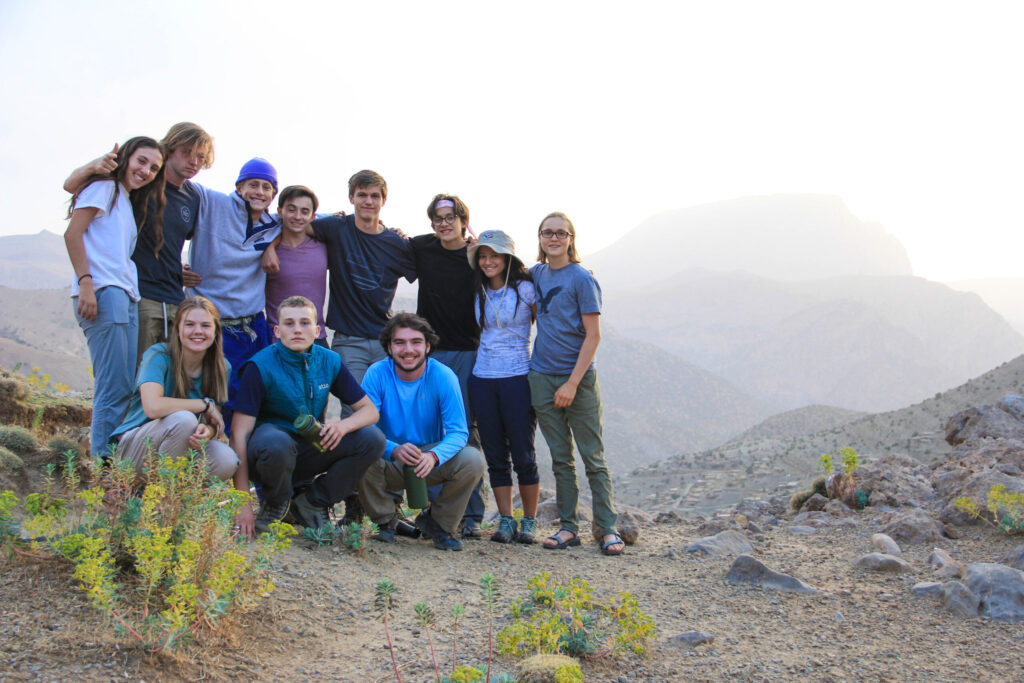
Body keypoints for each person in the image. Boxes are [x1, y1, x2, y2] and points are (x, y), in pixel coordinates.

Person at [229, 296, 385, 538]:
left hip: (308, 449)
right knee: (276, 442)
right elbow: (239, 434)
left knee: (371, 439)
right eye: (289, 324)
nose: (298, 330)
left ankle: (313, 501)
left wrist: (342, 427)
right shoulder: (259, 366)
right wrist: (241, 502)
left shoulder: (330, 361)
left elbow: (370, 411)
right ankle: (275, 504)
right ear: (277, 331)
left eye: (304, 323)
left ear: (317, 330)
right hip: (268, 454)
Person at [62, 123, 215, 365]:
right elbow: (74, 187)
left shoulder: (193, 197)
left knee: (169, 381)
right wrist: (92, 166)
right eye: (187, 152)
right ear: (171, 148)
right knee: (135, 378)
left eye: (201, 157)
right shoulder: (144, 182)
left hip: (175, 299)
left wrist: (178, 270)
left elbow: (170, 243)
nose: (194, 162)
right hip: (138, 295)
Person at [64, 136, 166, 458]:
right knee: (112, 388)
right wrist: (86, 284)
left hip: (125, 294)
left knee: (124, 386)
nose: (146, 170)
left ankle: (115, 467)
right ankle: (104, 473)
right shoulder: (104, 188)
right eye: (141, 161)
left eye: (153, 167)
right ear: (125, 157)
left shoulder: (123, 199)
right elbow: (72, 233)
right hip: (104, 292)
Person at [529, 212, 624, 556]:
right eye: (547, 232)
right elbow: (499, 267)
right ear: (539, 238)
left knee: (592, 457)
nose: (553, 238)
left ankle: (608, 528)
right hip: (540, 376)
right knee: (560, 459)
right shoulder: (536, 274)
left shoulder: (582, 279)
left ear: (571, 238)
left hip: (578, 380)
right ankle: (568, 527)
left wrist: (571, 383)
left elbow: (593, 336)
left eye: (560, 233)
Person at [358, 313, 485, 551]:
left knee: (473, 460)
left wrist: (433, 456)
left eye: (416, 342)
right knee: (359, 447)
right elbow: (366, 427)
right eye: (400, 342)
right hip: (388, 459)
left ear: (427, 346)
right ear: (389, 347)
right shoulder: (376, 373)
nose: (408, 350)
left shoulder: (442, 376)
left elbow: (458, 432)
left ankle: (440, 524)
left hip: (428, 460)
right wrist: (393, 449)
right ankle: (385, 521)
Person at [409, 194, 485, 538]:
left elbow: (514, 272)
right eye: (438, 218)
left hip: (468, 352)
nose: (443, 223)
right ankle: (436, 512)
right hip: (431, 353)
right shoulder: (422, 248)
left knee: (466, 429)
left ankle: (472, 514)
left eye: (450, 217)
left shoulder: (477, 254)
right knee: (431, 430)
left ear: (463, 221)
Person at [187, 158, 281, 429]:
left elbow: (310, 217)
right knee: (216, 397)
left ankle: (248, 464)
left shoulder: (274, 224)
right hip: (214, 325)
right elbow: (176, 186)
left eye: (266, 187)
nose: (259, 192)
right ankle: (214, 462)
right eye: (253, 185)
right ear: (239, 187)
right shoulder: (212, 203)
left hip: (253, 326)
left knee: (255, 398)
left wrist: (272, 245)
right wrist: (173, 269)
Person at [109, 296, 237, 479]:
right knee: (184, 420)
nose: (198, 331)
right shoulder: (157, 356)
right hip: (134, 450)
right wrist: (203, 404)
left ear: (216, 331)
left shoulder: (222, 367)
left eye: (206, 326)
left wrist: (207, 433)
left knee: (226, 459)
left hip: (179, 447)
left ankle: (179, 497)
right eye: (190, 324)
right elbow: (153, 407)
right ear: (177, 329)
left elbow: (213, 419)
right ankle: (163, 499)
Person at [466, 230, 540, 544]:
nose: (488, 261)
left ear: (507, 258)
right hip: (482, 378)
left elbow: (545, 321)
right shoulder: (478, 291)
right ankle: (507, 519)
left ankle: (530, 520)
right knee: (495, 453)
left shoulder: (526, 290)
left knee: (523, 452)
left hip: (518, 377)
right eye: (482, 256)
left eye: (494, 255)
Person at [264, 186, 328, 348]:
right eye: (291, 210)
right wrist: (268, 247)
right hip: (278, 339)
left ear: (313, 216)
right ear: (280, 212)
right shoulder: (266, 252)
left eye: (304, 211)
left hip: (316, 338)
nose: (298, 216)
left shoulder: (324, 247)